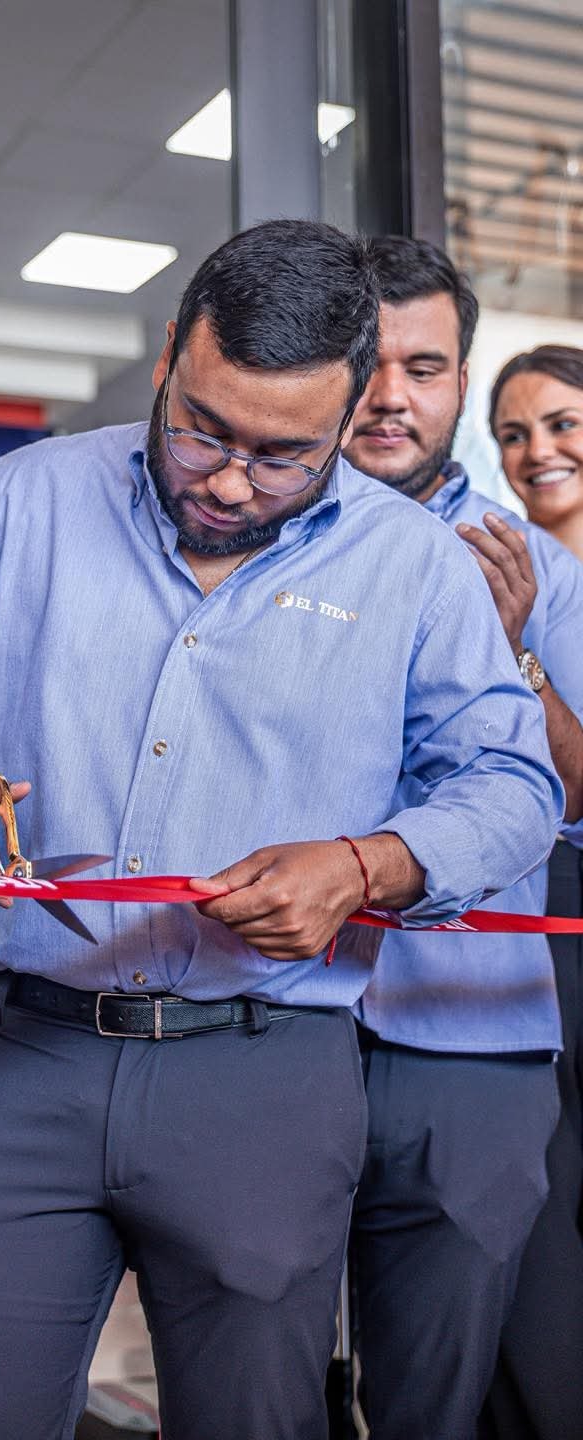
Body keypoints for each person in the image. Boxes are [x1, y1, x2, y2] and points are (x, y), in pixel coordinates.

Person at [0, 219, 563, 1440]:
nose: (228, 482)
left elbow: (512, 783)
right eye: (202, 430)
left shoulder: (415, 566)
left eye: (283, 456)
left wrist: (366, 864)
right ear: (170, 357)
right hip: (17, 1059)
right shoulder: (35, 494)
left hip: (266, 1078)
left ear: (349, 413)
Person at [342, 236, 583, 1440]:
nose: (391, 396)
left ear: (458, 382)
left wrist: (516, 649)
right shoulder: (247, 534)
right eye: (368, 362)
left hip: (468, 1030)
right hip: (266, 1021)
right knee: (253, 1369)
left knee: (445, 1389)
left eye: (425, 367)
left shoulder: (530, 563)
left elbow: (578, 796)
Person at [475, 346, 583, 1440]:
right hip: (526, 916)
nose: (537, 451)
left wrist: (519, 657)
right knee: (537, 1211)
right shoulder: (492, 565)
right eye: (513, 433)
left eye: (560, 424)